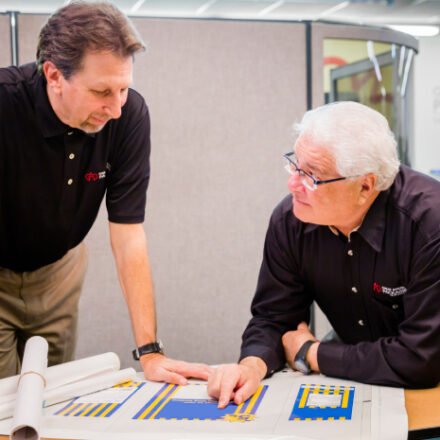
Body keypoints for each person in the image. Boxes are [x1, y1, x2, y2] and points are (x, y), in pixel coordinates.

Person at [0, 0, 211, 383]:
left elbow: (128, 235)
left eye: (123, 89)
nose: (115, 108)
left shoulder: (128, 115)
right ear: (54, 75)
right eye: (101, 92)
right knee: (4, 403)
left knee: (49, 394)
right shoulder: (4, 104)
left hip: (59, 271)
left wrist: (150, 353)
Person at [207, 101, 440, 408]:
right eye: (295, 165)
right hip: (354, 384)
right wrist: (252, 366)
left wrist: (311, 354)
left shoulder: (427, 223)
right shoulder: (291, 221)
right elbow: (274, 317)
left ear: (365, 187)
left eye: (311, 176)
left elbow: (421, 358)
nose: (292, 185)